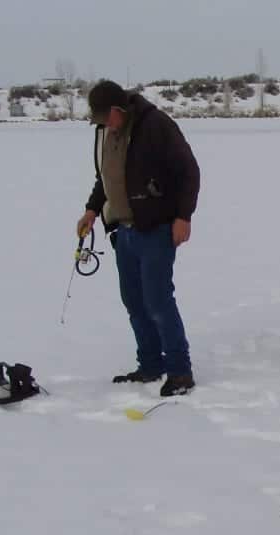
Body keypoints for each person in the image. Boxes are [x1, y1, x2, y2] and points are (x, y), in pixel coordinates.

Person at [76, 80, 201, 397]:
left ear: (117, 111)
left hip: (157, 228)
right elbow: (107, 176)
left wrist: (183, 217)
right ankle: (150, 365)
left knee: (158, 301)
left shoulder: (155, 125)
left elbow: (188, 170)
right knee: (134, 302)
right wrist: (92, 210)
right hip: (124, 231)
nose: (102, 124)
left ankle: (179, 372)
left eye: (105, 117)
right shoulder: (107, 133)